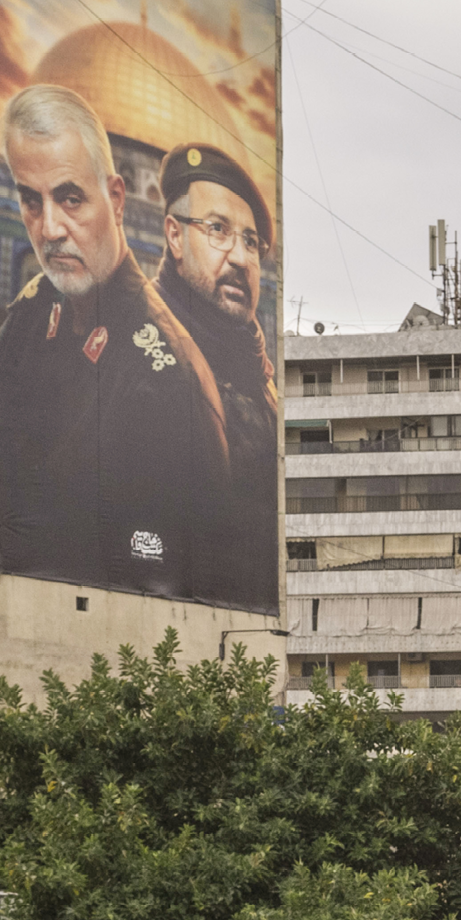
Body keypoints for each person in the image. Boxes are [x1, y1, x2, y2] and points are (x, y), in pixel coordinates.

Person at [0, 82, 230, 599]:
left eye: (70, 198)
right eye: (31, 201)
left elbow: (173, 577)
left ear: (117, 200)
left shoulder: (165, 378)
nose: (50, 229)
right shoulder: (31, 318)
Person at [156, 141, 280, 611]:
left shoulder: (260, 378)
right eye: (218, 230)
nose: (240, 258)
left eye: (251, 242)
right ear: (174, 236)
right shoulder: (144, 350)